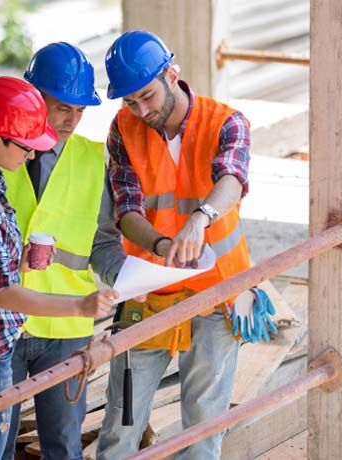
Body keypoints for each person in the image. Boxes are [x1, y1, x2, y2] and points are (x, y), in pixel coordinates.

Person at [96, 30, 254, 459]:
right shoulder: (124, 129)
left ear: (172, 74)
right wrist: (163, 244)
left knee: (204, 421)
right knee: (122, 417)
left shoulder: (226, 122)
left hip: (219, 290)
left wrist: (200, 220)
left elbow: (232, 180)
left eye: (147, 96)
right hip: (148, 289)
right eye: (129, 102)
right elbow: (126, 211)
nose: (141, 110)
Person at [0, 43, 127, 460]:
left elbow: (103, 241)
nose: (71, 120)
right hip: (5, 323)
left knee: (63, 447)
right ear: (34, 97)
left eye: (80, 111)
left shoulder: (94, 160)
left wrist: (127, 280)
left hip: (66, 327)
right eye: (62, 108)